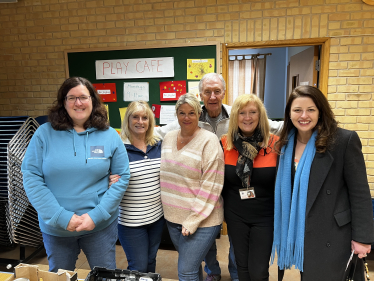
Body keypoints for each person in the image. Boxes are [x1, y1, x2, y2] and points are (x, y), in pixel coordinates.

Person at [155, 73, 283, 281]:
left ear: (224, 93)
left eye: (217, 91)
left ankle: (234, 275)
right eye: (207, 92)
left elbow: (276, 126)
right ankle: (213, 270)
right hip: (218, 189)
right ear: (201, 95)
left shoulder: (238, 113)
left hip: (228, 191)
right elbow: (159, 133)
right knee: (209, 247)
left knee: (237, 251)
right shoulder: (192, 116)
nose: (212, 96)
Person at [21, 77, 130, 272]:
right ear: (63, 103)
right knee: (60, 276)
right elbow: (31, 177)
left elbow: (122, 177)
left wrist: (96, 216)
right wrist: (60, 217)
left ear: (93, 101)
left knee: (105, 275)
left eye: (83, 97)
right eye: (71, 98)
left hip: (100, 226)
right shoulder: (44, 134)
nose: (78, 103)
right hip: (57, 228)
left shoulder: (110, 135)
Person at [272, 85, 374, 280]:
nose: (304, 116)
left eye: (311, 109)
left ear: (320, 111)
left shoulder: (343, 140)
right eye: (297, 110)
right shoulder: (283, 145)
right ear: (289, 114)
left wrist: (362, 238)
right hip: (302, 231)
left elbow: (360, 194)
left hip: (333, 234)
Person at [160, 93, 225, 281]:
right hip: (173, 218)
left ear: (199, 114)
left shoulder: (209, 140)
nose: (186, 118)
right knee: (192, 265)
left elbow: (212, 185)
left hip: (203, 220)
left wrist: (193, 219)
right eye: (182, 113)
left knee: (186, 271)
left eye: (191, 113)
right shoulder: (168, 138)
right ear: (176, 114)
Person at [221, 94, 279, 281]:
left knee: (259, 271)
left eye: (253, 112)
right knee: (242, 269)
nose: (247, 117)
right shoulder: (224, 144)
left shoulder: (275, 144)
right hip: (235, 215)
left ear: (260, 115)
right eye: (242, 113)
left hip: (265, 217)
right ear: (235, 117)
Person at [110, 101, 165, 273]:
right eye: (135, 117)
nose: (140, 121)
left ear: (150, 122)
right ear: (128, 120)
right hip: (131, 222)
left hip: (157, 217)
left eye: (145, 117)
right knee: (138, 266)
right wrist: (108, 181)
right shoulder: (119, 148)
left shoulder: (158, 145)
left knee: (150, 260)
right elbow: (104, 176)